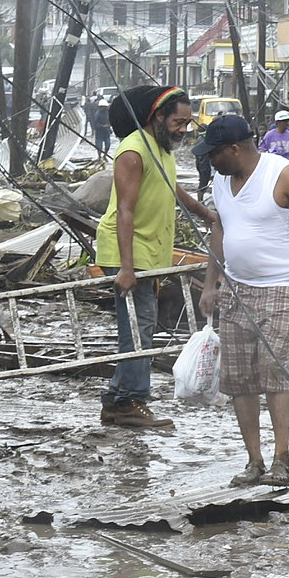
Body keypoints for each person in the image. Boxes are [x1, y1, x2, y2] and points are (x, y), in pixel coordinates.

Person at [197, 115, 289, 488]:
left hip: (283, 286)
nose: (209, 161)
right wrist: (211, 284)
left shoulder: (283, 174)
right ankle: (254, 461)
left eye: (213, 154)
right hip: (237, 288)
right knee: (240, 378)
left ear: (234, 149)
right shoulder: (221, 182)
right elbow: (219, 228)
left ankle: (282, 459)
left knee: (273, 368)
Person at [95, 85, 216, 429]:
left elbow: (173, 189)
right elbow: (125, 212)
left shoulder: (161, 150)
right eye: (178, 122)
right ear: (158, 117)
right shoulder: (132, 152)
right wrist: (128, 268)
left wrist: (206, 214)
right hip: (128, 251)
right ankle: (130, 401)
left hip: (149, 252)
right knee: (138, 327)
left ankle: (120, 398)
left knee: (141, 325)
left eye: (187, 123)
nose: (183, 129)